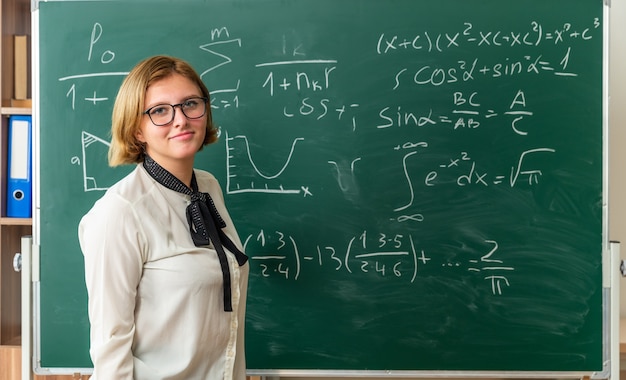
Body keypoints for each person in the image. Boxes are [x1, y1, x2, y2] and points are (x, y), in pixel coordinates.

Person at [78, 55, 249, 380]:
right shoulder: (119, 212)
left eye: (190, 104)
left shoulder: (209, 188)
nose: (180, 120)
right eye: (160, 111)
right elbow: (109, 345)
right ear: (136, 129)